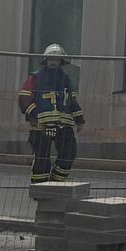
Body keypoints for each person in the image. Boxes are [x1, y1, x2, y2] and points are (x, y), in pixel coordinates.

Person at [17, 44, 85, 184]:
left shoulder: (66, 80)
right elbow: (24, 98)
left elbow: (71, 101)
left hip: (64, 125)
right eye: (51, 59)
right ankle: (40, 188)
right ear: (46, 60)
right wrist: (34, 116)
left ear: (61, 61)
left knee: (68, 154)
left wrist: (79, 119)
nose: (53, 62)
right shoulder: (34, 78)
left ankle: (56, 184)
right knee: (42, 157)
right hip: (41, 126)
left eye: (57, 59)